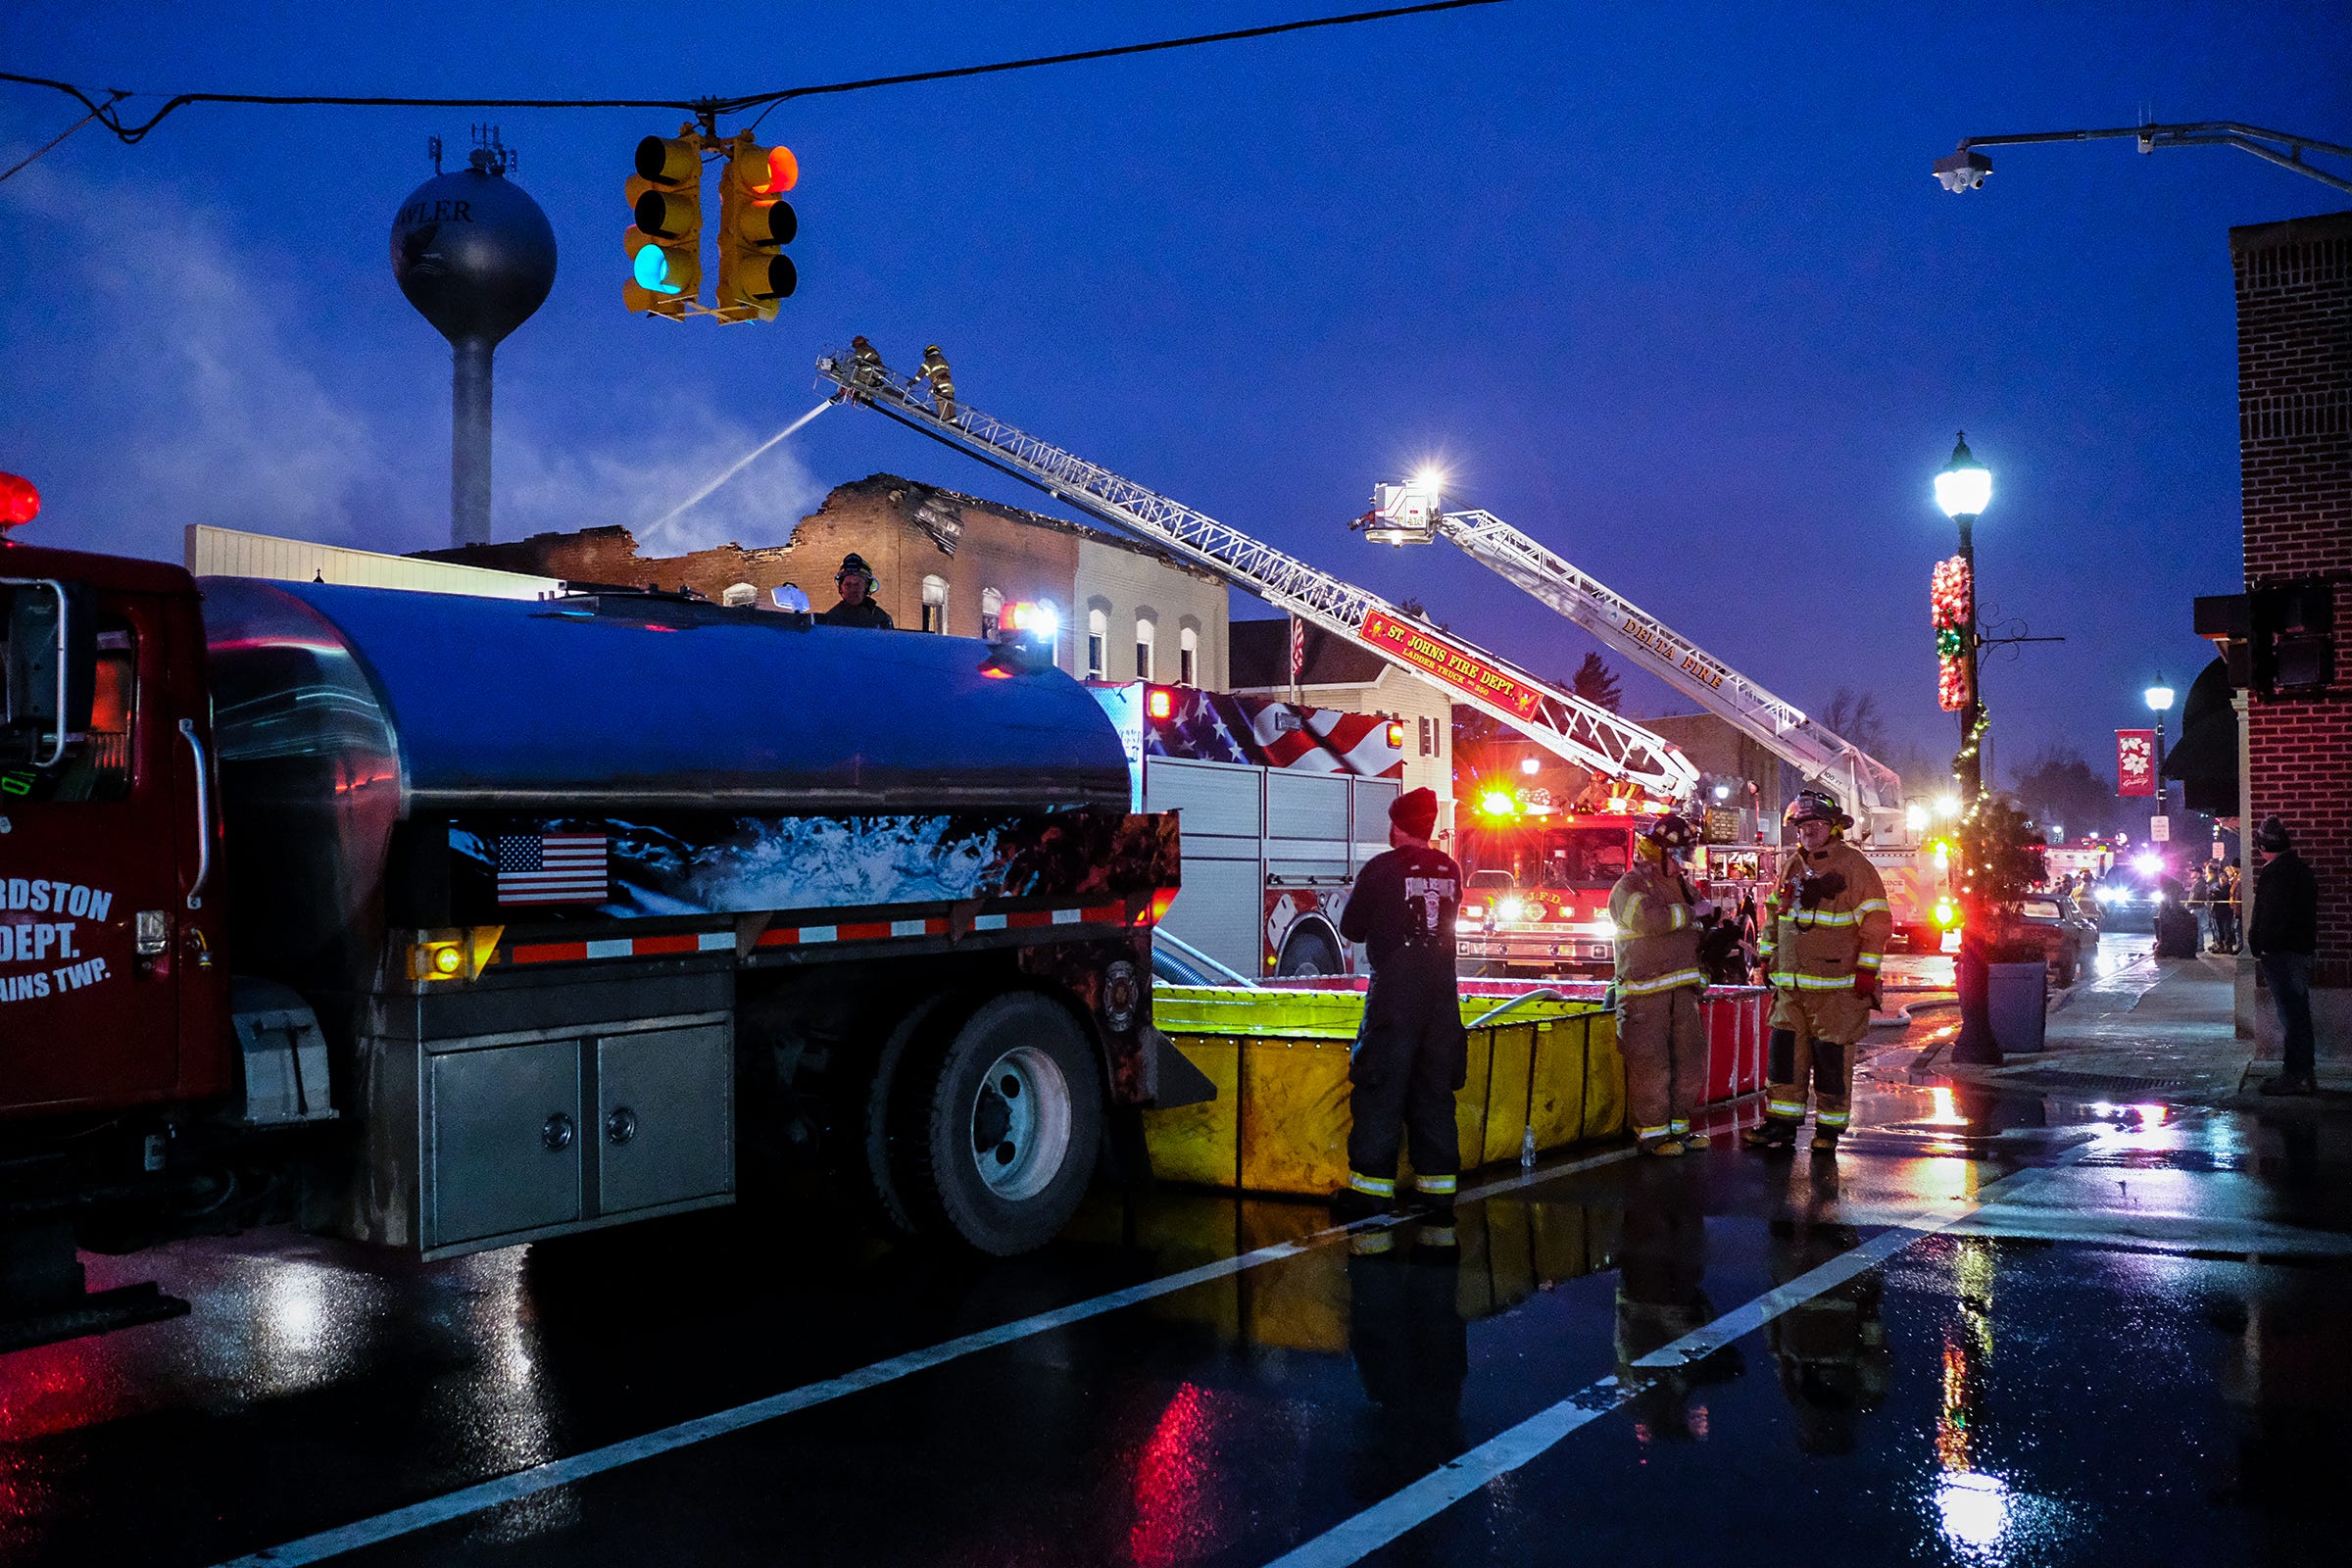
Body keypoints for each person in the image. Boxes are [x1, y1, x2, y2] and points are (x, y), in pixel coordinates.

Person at [1333, 787, 1468, 1222]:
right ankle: (1437, 1189)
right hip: (1443, 995)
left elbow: (1352, 928)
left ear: (1398, 825)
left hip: (1395, 994)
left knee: (1380, 1084)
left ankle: (1371, 1192)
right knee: (1434, 1088)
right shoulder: (1450, 868)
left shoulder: (1381, 869)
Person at [1742, 791, 1891, 1153]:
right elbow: (1775, 915)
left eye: (1817, 824)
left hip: (1836, 988)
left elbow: (1877, 922)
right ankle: (1781, 1124)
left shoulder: (1854, 867)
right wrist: (1767, 958)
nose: (1809, 831)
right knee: (1785, 1058)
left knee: (1830, 1059)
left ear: (1834, 827)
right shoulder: (1794, 864)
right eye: (1803, 825)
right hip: (1791, 985)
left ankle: (1828, 1129)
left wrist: (1867, 971)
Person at [1610, 813, 1713, 1155]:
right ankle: (1653, 1137)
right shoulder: (1630, 886)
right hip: (1643, 997)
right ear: (1658, 854)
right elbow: (1649, 921)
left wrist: (1716, 941)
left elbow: (1692, 936)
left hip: (1681, 996)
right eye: (1679, 857)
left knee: (1688, 1062)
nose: (1684, 866)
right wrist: (1692, 911)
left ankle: (1679, 1131)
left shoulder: (1681, 886)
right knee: (1651, 1067)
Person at [2249, 815, 2320, 1096]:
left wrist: (2262, 944)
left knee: (2292, 1015)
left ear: (2264, 845)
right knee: (2298, 1013)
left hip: (2282, 953)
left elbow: (2271, 915)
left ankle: (2296, 1075)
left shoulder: (2275, 873)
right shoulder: (2300, 870)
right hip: (2298, 950)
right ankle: (2302, 1074)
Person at [816, 553, 895, 628]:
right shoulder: (830, 621)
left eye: (857, 584)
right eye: (847, 584)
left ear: (867, 586)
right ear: (841, 588)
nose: (853, 589)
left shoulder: (882, 620)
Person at [918, 344, 956, 419]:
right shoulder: (944, 360)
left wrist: (913, 382)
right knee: (950, 403)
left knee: (940, 401)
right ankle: (954, 421)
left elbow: (921, 373)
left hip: (939, 385)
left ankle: (944, 419)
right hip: (949, 386)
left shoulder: (930, 360)